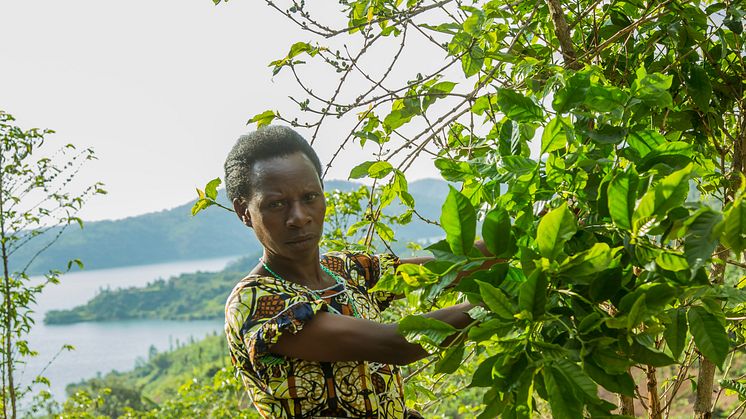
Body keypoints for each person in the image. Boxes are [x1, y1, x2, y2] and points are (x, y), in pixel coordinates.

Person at [223, 126, 477, 419]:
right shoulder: (255, 302)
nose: (299, 217)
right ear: (244, 211)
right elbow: (396, 344)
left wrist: (526, 244)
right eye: (276, 204)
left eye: (309, 197)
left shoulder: (345, 270)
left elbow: (445, 269)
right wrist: (489, 305)